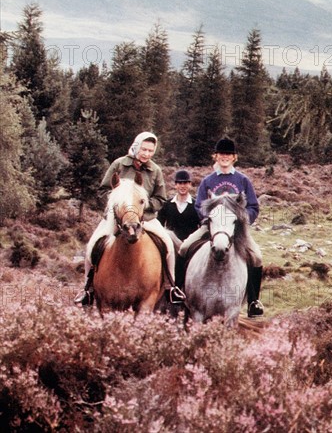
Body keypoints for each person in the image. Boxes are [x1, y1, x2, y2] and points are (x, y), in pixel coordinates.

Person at [74, 131, 185, 305]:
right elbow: (103, 189)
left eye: (150, 151)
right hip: (116, 218)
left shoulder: (155, 170)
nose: (147, 154)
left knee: (168, 245)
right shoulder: (119, 164)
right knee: (92, 245)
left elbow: (160, 197)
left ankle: (170, 286)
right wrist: (116, 207)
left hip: (145, 218)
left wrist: (142, 208)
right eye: (144, 149)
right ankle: (87, 289)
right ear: (136, 146)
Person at [179, 137, 264, 318]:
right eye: (221, 154)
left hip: (236, 229)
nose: (224, 157)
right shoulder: (208, 181)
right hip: (212, 227)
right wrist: (210, 220)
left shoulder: (242, 180)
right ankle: (178, 292)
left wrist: (241, 220)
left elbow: (253, 207)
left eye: (228, 154)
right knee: (185, 247)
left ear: (234, 157)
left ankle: (253, 301)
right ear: (215, 156)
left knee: (256, 256)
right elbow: (199, 205)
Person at [158, 169, 200, 242]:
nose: (182, 186)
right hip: (171, 243)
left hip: (191, 245)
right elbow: (159, 225)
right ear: (175, 185)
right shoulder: (167, 204)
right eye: (180, 183)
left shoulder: (196, 205)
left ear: (190, 185)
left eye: (185, 183)